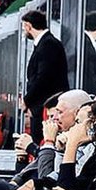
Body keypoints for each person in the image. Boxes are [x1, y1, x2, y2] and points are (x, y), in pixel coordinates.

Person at [22, 10, 69, 142]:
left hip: (47, 106)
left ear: (28, 26)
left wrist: (27, 100)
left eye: (24, 28)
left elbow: (43, 78)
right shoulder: (45, 43)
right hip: (41, 105)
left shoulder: (49, 44)